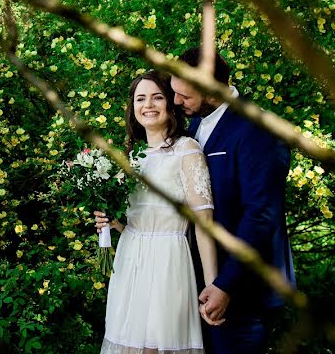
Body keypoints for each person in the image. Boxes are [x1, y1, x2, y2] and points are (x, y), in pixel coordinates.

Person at [171, 48, 294, 354]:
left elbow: (261, 215)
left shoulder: (258, 129)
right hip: (205, 283)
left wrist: (226, 284)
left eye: (184, 96)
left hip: (242, 290)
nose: (176, 102)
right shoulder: (198, 125)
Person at [94, 70, 220, 354]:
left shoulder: (187, 150)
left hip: (168, 263)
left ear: (171, 103)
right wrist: (114, 224)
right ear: (133, 107)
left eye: (157, 97)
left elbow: (204, 223)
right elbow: (139, 223)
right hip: (130, 262)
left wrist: (213, 285)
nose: (148, 105)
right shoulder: (130, 157)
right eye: (141, 99)